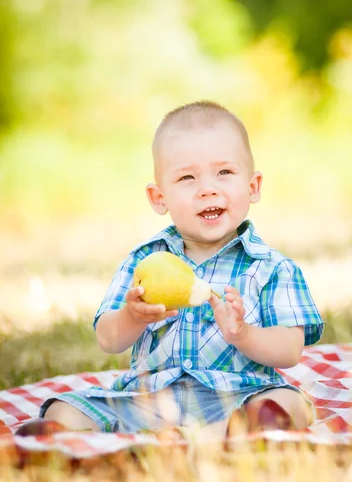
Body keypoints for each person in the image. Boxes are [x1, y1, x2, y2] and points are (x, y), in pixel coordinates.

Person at [19, 101, 324, 440]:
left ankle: (219, 436)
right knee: (65, 407)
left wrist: (244, 334)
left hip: (236, 398)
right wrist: (133, 317)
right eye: (187, 177)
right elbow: (108, 339)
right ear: (158, 197)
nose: (207, 188)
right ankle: (61, 440)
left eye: (224, 172)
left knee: (288, 403)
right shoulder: (145, 261)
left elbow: (290, 349)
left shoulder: (271, 268)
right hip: (149, 400)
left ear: (252, 187)